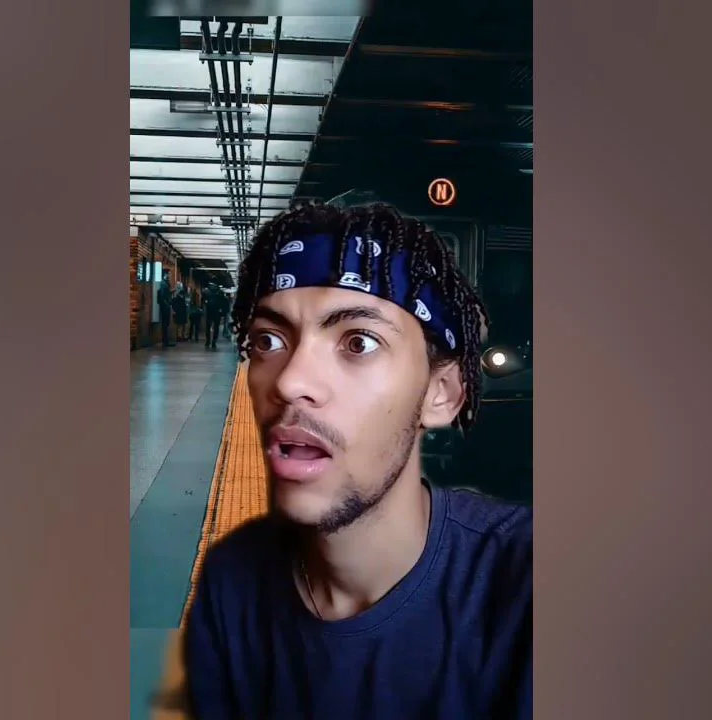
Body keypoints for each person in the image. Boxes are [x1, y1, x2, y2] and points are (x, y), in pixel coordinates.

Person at [182, 203, 532, 719]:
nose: (289, 382)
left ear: (441, 393)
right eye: (268, 341)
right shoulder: (231, 580)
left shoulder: (530, 587)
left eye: (359, 342)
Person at [203, 282, 226, 350]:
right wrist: (222, 311)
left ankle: (207, 341)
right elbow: (223, 302)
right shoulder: (220, 292)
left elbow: (204, 301)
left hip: (209, 311)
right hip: (217, 312)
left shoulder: (207, 291)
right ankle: (214, 342)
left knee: (208, 327)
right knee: (216, 328)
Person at [157, 270, 174, 348]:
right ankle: (165, 341)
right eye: (169, 274)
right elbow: (163, 295)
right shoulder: (163, 283)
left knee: (166, 323)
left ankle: (166, 340)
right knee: (165, 323)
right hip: (165, 306)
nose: (170, 276)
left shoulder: (165, 283)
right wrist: (166, 304)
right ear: (165, 274)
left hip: (166, 304)